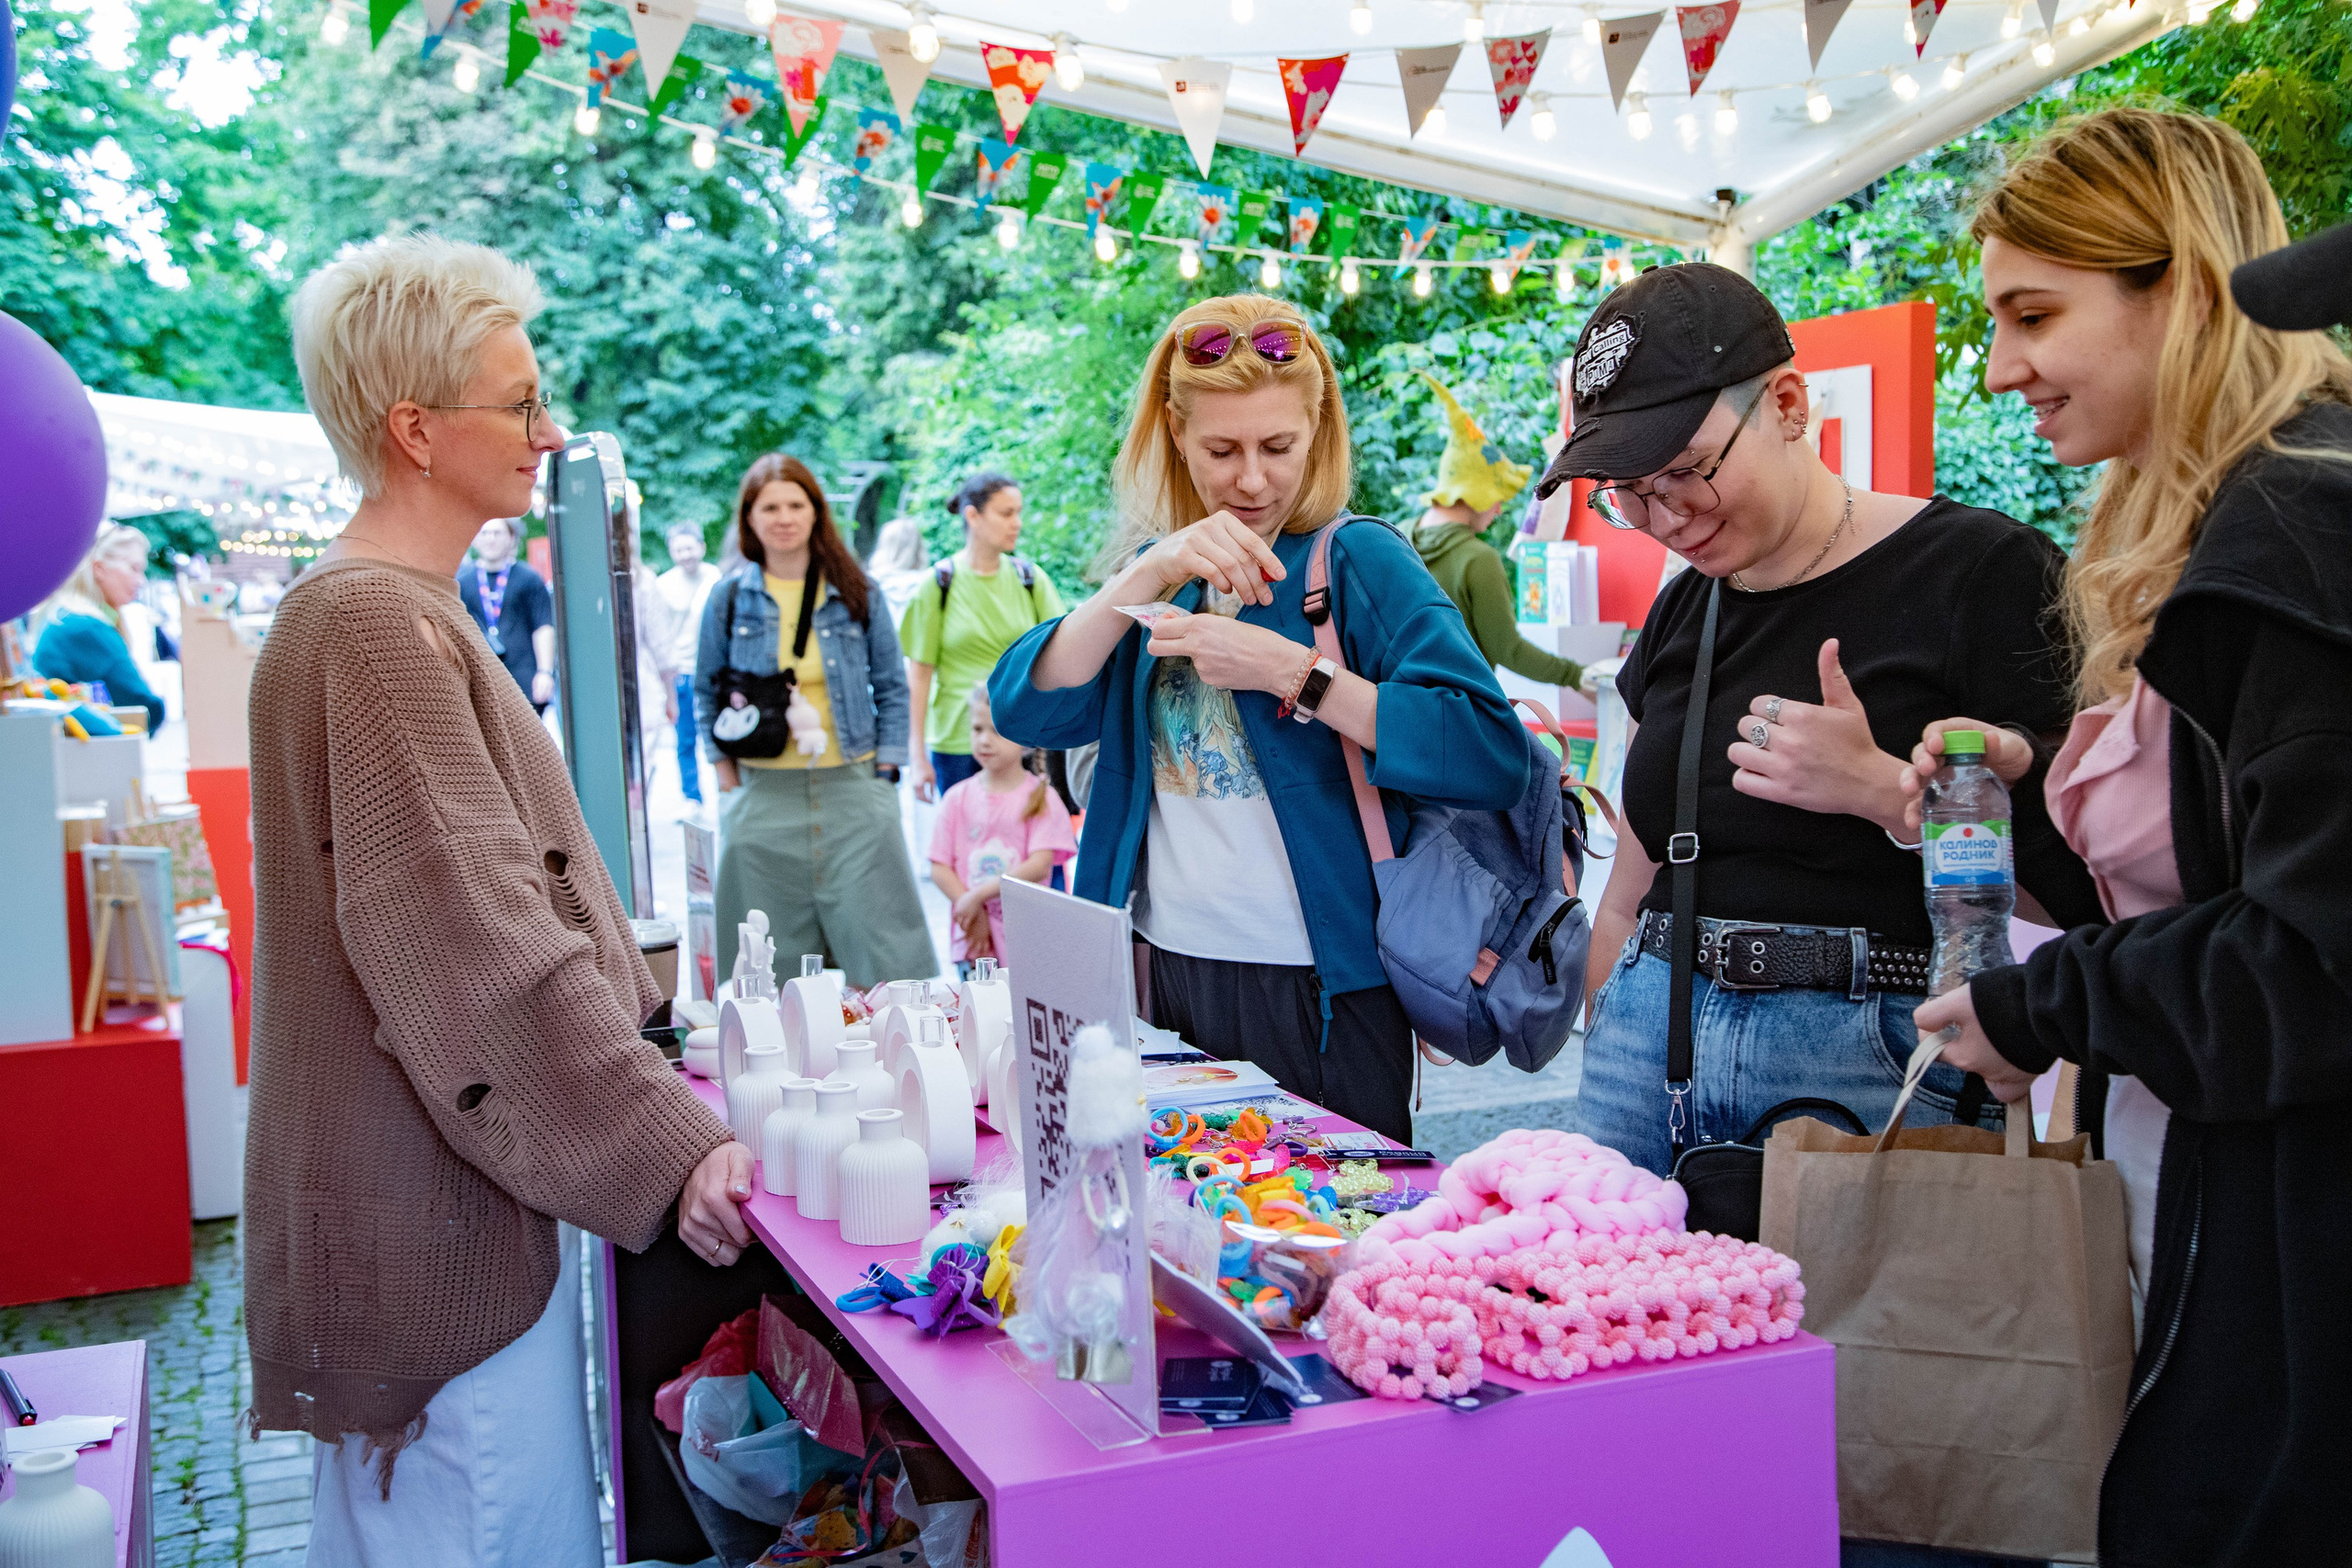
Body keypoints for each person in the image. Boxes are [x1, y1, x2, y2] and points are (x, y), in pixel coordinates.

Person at [251, 234, 751, 1568]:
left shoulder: (402, 608)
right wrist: (674, 1147)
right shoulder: (373, 623)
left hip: (446, 1210)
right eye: (520, 400)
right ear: (416, 429)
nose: (550, 426)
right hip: (440, 1244)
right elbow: (475, 952)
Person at [1904, 109, 2352, 1567]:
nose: (1997, 365)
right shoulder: (2204, 509)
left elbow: (2311, 962)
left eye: (2037, 314)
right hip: (2203, 1184)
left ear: (2191, 285)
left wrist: (2046, 1001)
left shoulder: (2292, 527)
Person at [1549, 261, 2104, 1182]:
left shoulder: (1981, 575)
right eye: (1626, 491)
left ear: (1789, 403)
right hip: (1651, 1046)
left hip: (1870, 1064)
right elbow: (1627, 890)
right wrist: (1607, 1041)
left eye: (1686, 470)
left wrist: (1885, 795)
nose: (1664, 515)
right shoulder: (1686, 610)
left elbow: (2094, 896)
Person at [988, 295, 1529, 1144]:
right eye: (1221, 449)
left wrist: (1295, 674)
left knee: (1330, 1252)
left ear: (1317, 431)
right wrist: (1149, 570)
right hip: (1160, 979)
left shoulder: (1357, 558)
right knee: (1187, 1245)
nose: (1251, 478)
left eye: (1278, 446)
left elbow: (1490, 749)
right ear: (1174, 431)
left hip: (1324, 995)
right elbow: (1025, 706)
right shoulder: (1157, 570)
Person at [695, 453, 935, 987]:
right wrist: (724, 775)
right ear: (750, 519)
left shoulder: (857, 592)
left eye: (795, 504)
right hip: (763, 793)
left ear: (815, 512)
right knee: (765, 965)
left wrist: (887, 771)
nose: (784, 517)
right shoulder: (729, 597)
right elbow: (706, 690)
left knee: (884, 955)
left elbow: (892, 686)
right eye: (770, 506)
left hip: (853, 788)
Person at [1410, 374, 1585, 691]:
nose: (1500, 509)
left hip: (1397, 710)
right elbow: (1509, 650)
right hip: (1463, 712)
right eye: (1498, 496)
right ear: (1476, 491)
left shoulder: (1395, 539)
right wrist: (1575, 677)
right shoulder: (1478, 559)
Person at [900, 474, 1066, 803]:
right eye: (1006, 513)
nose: (1017, 523)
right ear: (972, 516)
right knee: (964, 848)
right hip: (958, 743)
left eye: (1019, 512)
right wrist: (917, 757)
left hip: (1021, 740)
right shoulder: (938, 585)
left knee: (1035, 847)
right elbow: (918, 677)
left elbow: (1062, 656)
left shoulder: (1030, 580)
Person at [928, 682, 1077, 976]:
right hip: (974, 939)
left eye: (995, 731)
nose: (984, 740)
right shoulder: (956, 798)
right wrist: (969, 906)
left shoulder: (1042, 797)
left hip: (1026, 942)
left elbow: (1039, 865)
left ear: (1025, 739)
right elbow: (939, 866)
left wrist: (977, 896)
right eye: (977, 729)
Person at [32, 524, 166, 733]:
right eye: (134, 568)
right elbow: (145, 706)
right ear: (99, 569)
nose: (141, 581)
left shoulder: (64, 616)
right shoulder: (88, 628)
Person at [456, 514, 556, 712]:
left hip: (525, 682)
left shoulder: (529, 578)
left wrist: (545, 671)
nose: (490, 539)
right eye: (484, 533)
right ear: (475, 538)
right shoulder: (461, 581)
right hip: (480, 683)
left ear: (511, 538)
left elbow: (542, 626)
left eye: (497, 533)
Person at [657, 522, 720, 803]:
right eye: (679, 549)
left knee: (720, 733)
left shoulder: (716, 579)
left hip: (714, 669)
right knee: (685, 739)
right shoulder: (664, 585)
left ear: (702, 547)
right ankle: (692, 797)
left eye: (689, 547)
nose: (685, 554)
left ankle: (724, 789)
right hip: (681, 671)